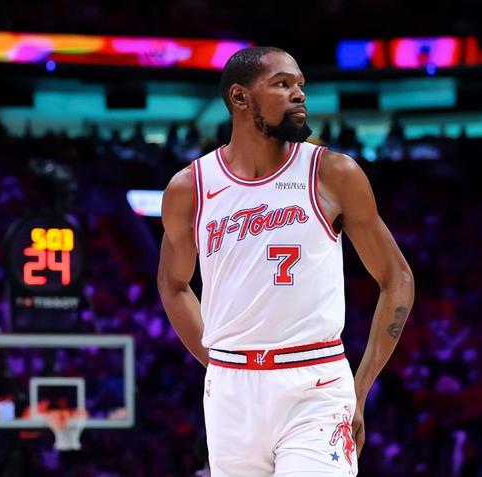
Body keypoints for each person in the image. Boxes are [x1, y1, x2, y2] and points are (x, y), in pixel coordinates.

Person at [157, 46, 414, 476]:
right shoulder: (191, 187)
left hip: (315, 383)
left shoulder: (332, 173)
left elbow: (397, 278)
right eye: (282, 84)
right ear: (240, 97)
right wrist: (219, 361)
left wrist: (360, 387)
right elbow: (173, 284)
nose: (299, 94)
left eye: (300, 85)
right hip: (230, 394)